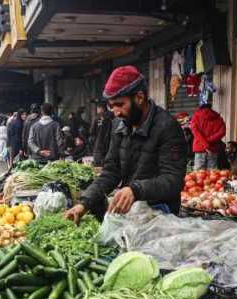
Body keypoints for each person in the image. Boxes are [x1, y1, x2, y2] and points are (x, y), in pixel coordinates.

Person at [64, 65, 188, 221]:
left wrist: (135, 190)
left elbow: (173, 180)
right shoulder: (119, 125)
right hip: (131, 210)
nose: (115, 112)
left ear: (139, 98)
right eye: (111, 105)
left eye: (120, 104)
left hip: (160, 214)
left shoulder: (167, 127)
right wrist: (84, 203)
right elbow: (111, 172)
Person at [190, 103, 226, 170]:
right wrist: (209, 141)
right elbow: (222, 132)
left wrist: (205, 143)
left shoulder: (196, 116)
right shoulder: (218, 118)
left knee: (199, 174)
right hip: (213, 148)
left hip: (199, 147)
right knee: (212, 173)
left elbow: (195, 132)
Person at [90, 102, 113, 166]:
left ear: (103, 109)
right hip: (107, 142)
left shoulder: (98, 118)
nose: (97, 110)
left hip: (100, 143)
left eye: (98, 108)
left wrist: (93, 140)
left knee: (98, 161)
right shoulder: (110, 117)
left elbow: (92, 131)